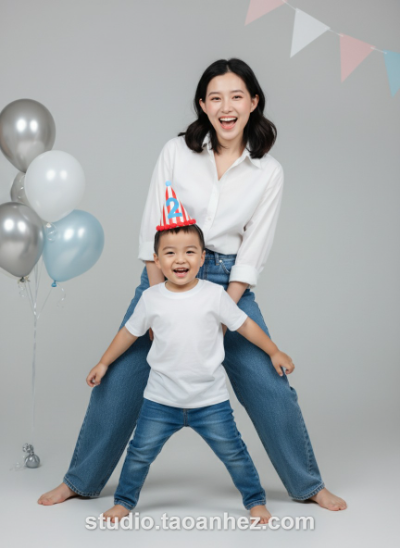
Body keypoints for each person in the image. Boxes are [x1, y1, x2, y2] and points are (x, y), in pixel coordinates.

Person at [38, 58, 346, 511]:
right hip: (165, 276)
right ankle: (79, 480)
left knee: (270, 385)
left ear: (253, 102)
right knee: (118, 379)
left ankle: (308, 484)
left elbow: (252, 253)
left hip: (227, 283)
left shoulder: (268, 172)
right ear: (203, 104)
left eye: (236, 96)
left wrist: (220, 313)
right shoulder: (176, 152)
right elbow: (152, 232)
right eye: (215, 98)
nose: (226, 107)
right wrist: (157, 302)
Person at [87, 194, 294, 524]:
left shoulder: (215, 295)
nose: (180, 259)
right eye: (170, 253)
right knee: (139, 454)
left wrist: (273, 351)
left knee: (235, 453)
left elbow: (245, 325)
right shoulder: (151, 298)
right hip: (160, 400)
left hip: (210, 401)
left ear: (202, 258)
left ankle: (255, 501)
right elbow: (127, 333)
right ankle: (124, 502)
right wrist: (103, 362)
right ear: (157, 260)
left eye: (189, 252)